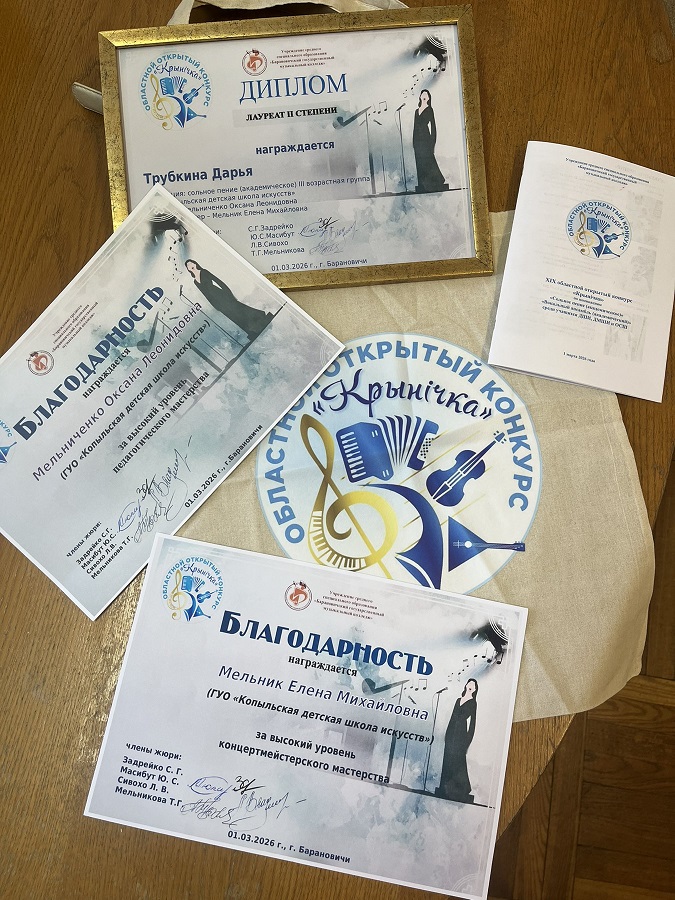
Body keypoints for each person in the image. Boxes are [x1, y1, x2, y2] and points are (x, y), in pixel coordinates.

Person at [185, 259, 272, 342]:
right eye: (188, 265)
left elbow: (218, 281)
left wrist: (229, 293)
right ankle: (250, 331)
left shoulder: (204, 271)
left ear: (195, 263)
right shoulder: (195, 282)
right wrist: (214, 305)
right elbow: (205, 294)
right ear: (188, 269)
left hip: (222, 295)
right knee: (232, 316)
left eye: (191, 263)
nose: (190, 265)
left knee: (239, 309)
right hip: (216, 302)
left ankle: (260, 318)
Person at [436, 678, 478, 802]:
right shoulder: (458, 700)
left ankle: (461, 789)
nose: (470, 686)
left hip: (461, 734)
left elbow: (473, 723)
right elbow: (452, 717)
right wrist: (447, 735)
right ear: (466, 685)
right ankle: (445, 787)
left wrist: (468, 740)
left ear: (475, 689)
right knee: (448, 759)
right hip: (451, 732)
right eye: (469, 683)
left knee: (459, 761)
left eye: (473, 685)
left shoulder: (473, 703)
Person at [412, 90, 448, 193]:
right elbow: (415, 127)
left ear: (428, 98)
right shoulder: (416, 111)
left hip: (426, 138)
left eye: (426, 95)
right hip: (417, 140)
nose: (424, 96)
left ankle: (437, 180)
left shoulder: (430, 109)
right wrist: (413, 141)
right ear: (420, 96)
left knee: (429, 160)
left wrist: (433, 142)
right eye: (422, 94)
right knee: (419, 161)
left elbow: (433, 126)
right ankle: (422, 183)